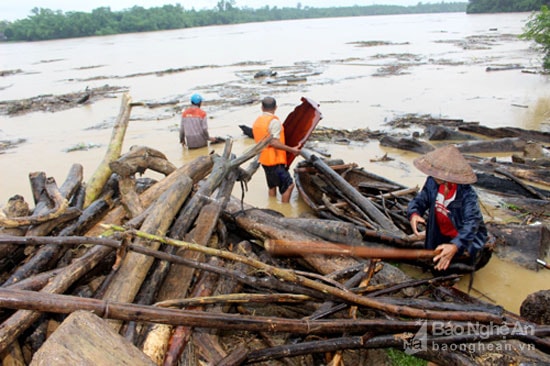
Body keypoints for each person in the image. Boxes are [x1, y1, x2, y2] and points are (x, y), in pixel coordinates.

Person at [407, 144, 489, 272]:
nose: (432, 173)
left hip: (461, 238)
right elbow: (421, 199)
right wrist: (414, 213)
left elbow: (472, 222)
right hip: (439, 233)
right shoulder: (432, 182)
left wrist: (456, 245)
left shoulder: (467, 194)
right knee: (434, 266)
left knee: (454, 268)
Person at [252, 97, 301, 203]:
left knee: (272, 185)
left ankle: (272, 206)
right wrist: (292, 150)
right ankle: (284, 211)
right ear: (275, 107)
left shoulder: (258, 121)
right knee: (289, 185)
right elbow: (274, 142)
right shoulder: (274, 122)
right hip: (275, 161)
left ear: (262, 107)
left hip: (264, 160)